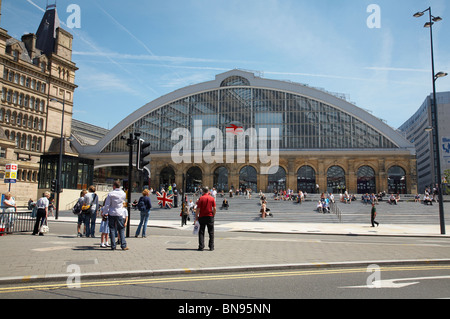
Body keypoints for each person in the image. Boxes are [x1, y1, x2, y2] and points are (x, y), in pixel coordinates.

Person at [103, 181, 128, 251]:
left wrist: (104, 212)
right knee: (121, 229)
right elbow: (122, 201)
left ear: (114, 186)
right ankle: (123, 245)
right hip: (120, 212)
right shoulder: (123, 193)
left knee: (112, 229)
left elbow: (107, 204)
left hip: (112, 212)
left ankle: (113, 246)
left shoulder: (111, 194)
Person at [195, 187, 216, 251]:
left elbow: (198, 209)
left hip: (202, 216)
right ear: (208, 191)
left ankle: (201, 246)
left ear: (203, 191)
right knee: (211, 232)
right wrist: (213, 215)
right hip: (210, 216)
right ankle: (211, 247)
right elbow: (214, 208)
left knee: (201, 232)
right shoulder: (212, 198)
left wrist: (196, 216)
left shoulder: (201, 198)